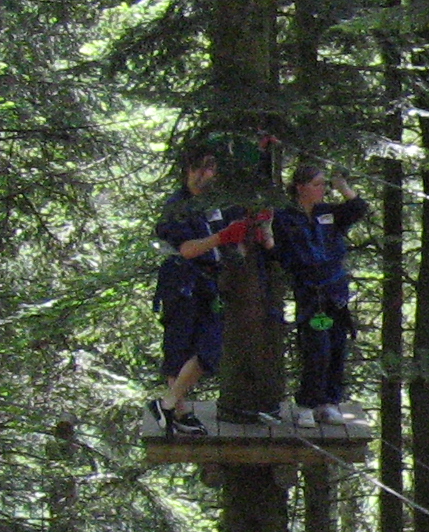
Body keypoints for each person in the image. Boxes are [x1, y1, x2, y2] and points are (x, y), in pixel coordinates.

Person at [149, 146, 262, 437]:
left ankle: (167, 404)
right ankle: (179, 412)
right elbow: (187, 249)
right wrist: (222, 237)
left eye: (211, 168)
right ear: (189, 170)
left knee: (209, 349)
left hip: (210, 283)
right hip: (181, 281)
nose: (205, 175)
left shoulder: (218, 204)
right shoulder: (176, 206)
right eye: (199, 168)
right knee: (179, 348)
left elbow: (244, 219)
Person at [271, 165, 371, 425]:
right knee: (317, 349)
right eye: (317, 184)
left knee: (337, 347)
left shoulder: (328, 213)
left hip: (335, 290)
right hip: (309, 291)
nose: (322, 189)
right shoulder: (285, 217)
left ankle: (329, 403)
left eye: (324, 184)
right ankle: (307, 403)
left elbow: (358, 208)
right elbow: (281, 252)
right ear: (300, 187)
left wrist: (343, 186)